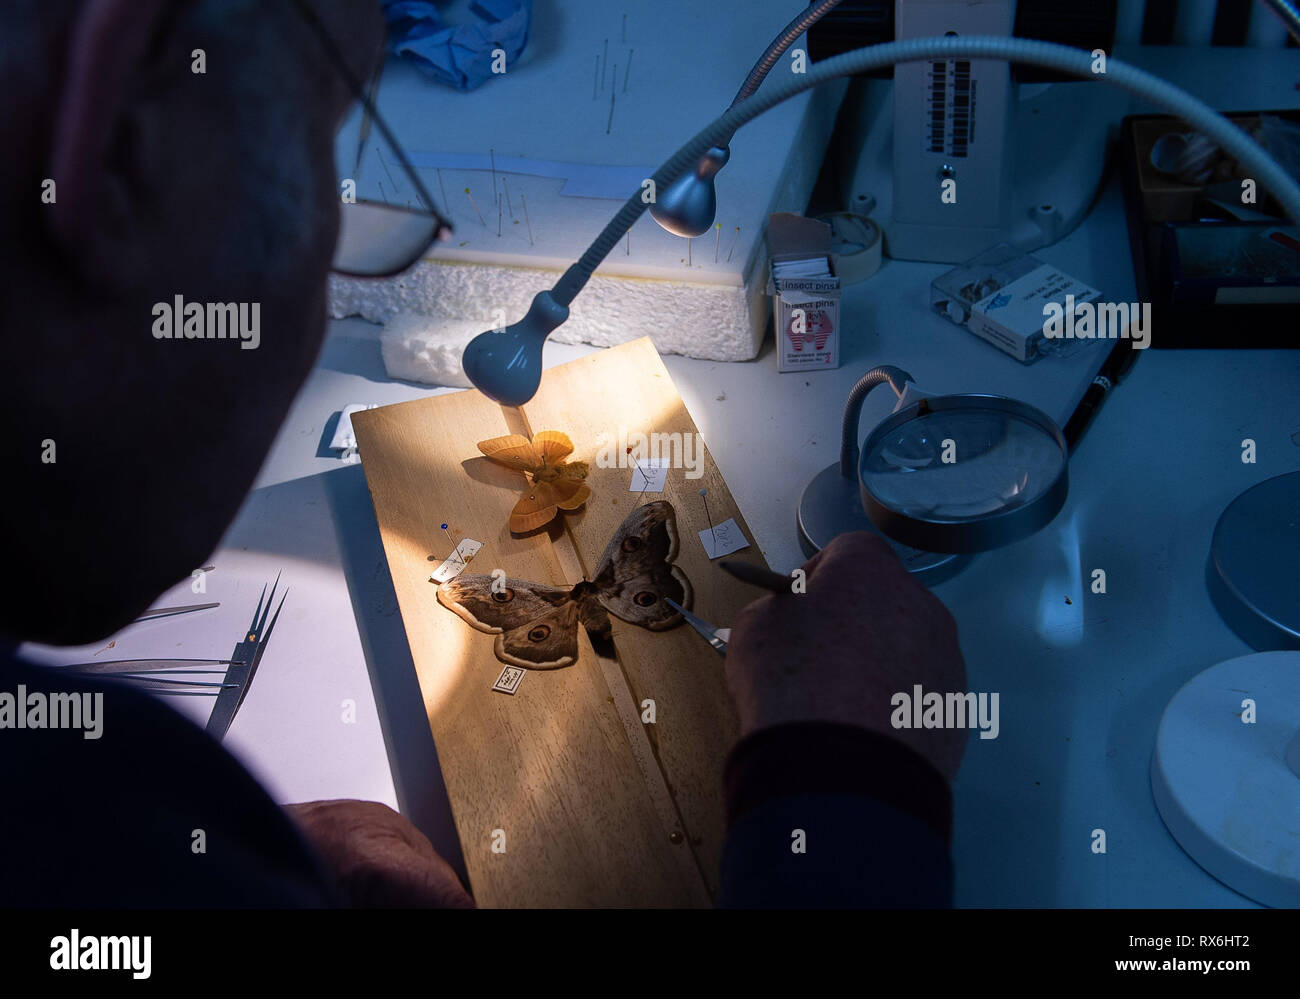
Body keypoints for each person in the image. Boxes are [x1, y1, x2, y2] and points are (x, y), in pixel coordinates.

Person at [0, 0, 967, 908]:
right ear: (117, 128)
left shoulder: (94, 820)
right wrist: (847, 784)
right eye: (324, 140)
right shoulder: (103, 810)